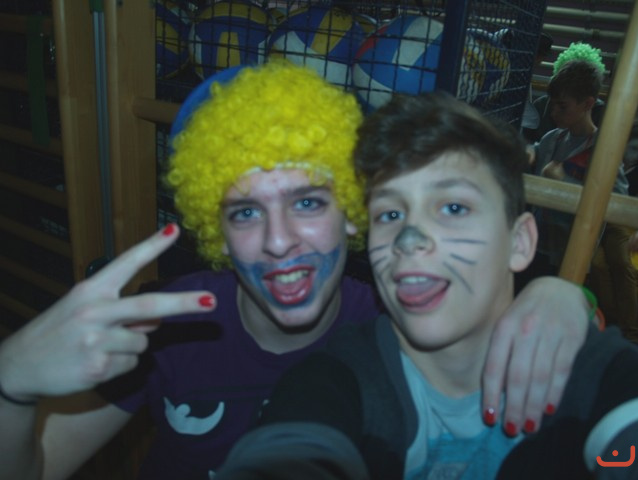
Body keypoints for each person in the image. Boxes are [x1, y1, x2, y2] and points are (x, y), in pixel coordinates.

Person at [0, 62, 593, 480]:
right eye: (246, 212)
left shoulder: (400, 322)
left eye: (308, 202)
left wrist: (560, 295)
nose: (279, 241)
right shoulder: (168, 325)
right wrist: (12, 382)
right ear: (217, 231)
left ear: (353, 213)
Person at [216, 91, 638, 480]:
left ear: (520, 242)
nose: (409, 238)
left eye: (453, 207)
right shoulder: (336, 381)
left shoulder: (588, 369)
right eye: (390, 215)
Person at [531, 59, 636, 334]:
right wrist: (527, 153)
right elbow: (534, 157)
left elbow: (619, 201)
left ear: (588, 103)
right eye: (552, 104)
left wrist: (564, 184)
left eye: (562, 106)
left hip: (570, 252)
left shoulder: (603, 150)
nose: (553, 111)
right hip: (537, 244)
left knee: (554, 322)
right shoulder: (552, 139)